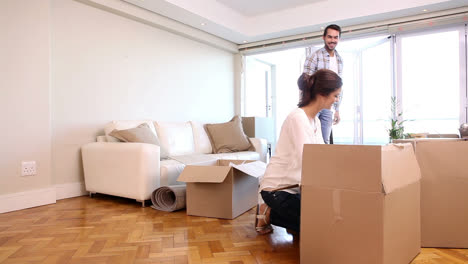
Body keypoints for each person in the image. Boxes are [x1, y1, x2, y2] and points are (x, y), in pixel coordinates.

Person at [255, 69, 343, 234]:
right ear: (323, 94)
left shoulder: (315, 120)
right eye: (335, 95)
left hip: (296, 188)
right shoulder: (297, 118)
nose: (336, 100)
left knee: (328, 219)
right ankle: (268, 211)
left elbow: (323, 154)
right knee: (318, 225)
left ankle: (287, 217)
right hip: (277, 189)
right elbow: (310, 161)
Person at [303, 24, 343, 144]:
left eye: (335, 37)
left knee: (324, 141)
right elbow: (305, 81)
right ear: (324, 37)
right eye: (330, 37)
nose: (332, 40)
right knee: (309, 139)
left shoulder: (339, 59)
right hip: (314, 104)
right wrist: (307, 103)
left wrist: (337, 109)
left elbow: (339, 86)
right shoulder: (314, 56)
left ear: (339, 39)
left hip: (328, 107)